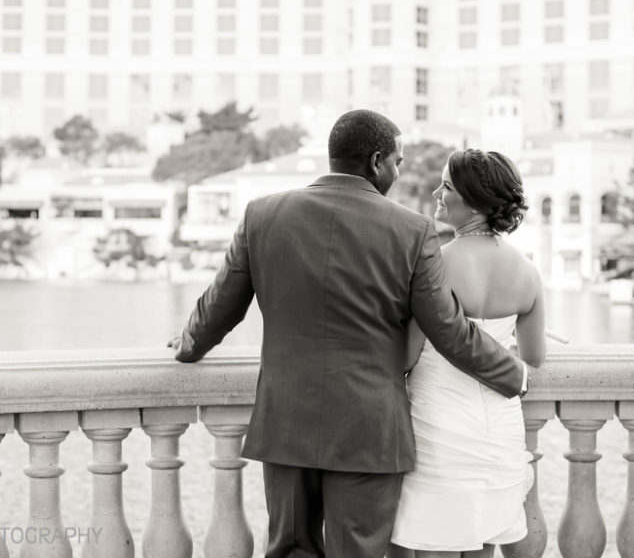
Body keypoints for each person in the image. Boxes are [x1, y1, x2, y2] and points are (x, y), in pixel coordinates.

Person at [173, 108, 527, 558]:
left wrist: (187, 344)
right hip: (369, 429)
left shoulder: (262, 215)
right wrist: (514, 375)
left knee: (288, 550)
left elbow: (221, 306)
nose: (398, 172)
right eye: (397, 162)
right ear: (377, 160)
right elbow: (449, 330)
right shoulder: (413, 231)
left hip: (288, 422)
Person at [392, 147, 544, 557]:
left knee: (437, 538)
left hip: (439, 423)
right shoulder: (527, 271)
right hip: (499, 425)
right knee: (485, 537)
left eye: (447, 185)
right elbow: (533, 357)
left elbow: (405, 358)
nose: (438, 192)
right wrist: (500, 336)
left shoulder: (435, 267)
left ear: (474, 200)